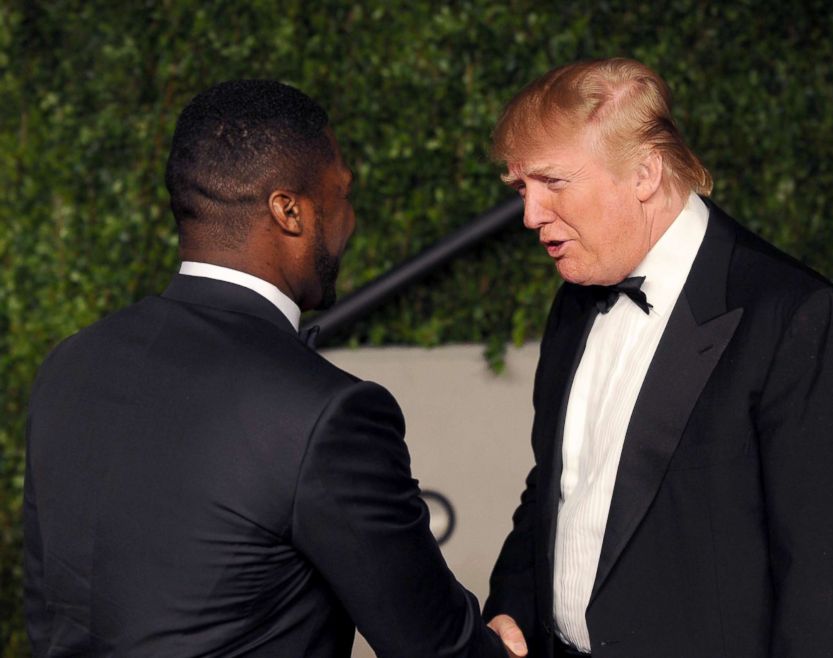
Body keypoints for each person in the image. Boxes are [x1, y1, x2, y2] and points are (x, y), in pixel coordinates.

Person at [23, 80, 509, 657]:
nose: (350, 219)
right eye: (342, 194)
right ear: (290, 210)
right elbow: (435, 647)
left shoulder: (70, 364)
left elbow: (50, 611)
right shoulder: (326, 414)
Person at [483, 59, 833, 658]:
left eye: (554, 182)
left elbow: (832, 590)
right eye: (523, 189)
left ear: (646, 171)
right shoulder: (575, 302)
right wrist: (512, 604)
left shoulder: (797, 318)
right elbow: (557, 483)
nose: (531, 215)